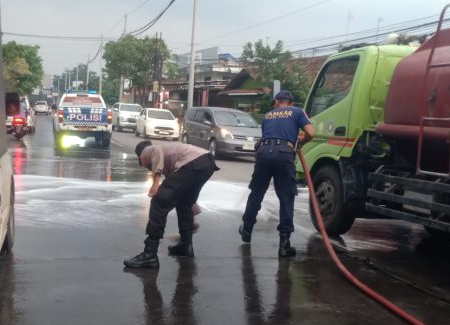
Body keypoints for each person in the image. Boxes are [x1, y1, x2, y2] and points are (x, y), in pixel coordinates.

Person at [238, 90, 315, 257]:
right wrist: (302, 142)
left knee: (257, 193)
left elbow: (268, 135)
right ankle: (284, 244)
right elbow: (311, 133)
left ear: (276, 102)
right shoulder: (297, 111)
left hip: (264, 153)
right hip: (283, 154)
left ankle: (247, 228)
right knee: (286, 197)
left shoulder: (268, 115)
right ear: (290, 102)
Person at [124, 140, 219, 268]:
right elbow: (185, 196)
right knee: (184, 203)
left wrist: (155, 183)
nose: (147, 167)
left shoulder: (148, 150)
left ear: (141, 158)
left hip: (194, 163)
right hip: (206, 163)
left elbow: (156, 152)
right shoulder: (172, 163)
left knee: (159, 202)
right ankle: (186, 246)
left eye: (144, 164)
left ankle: (149, 255)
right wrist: (193, 219)